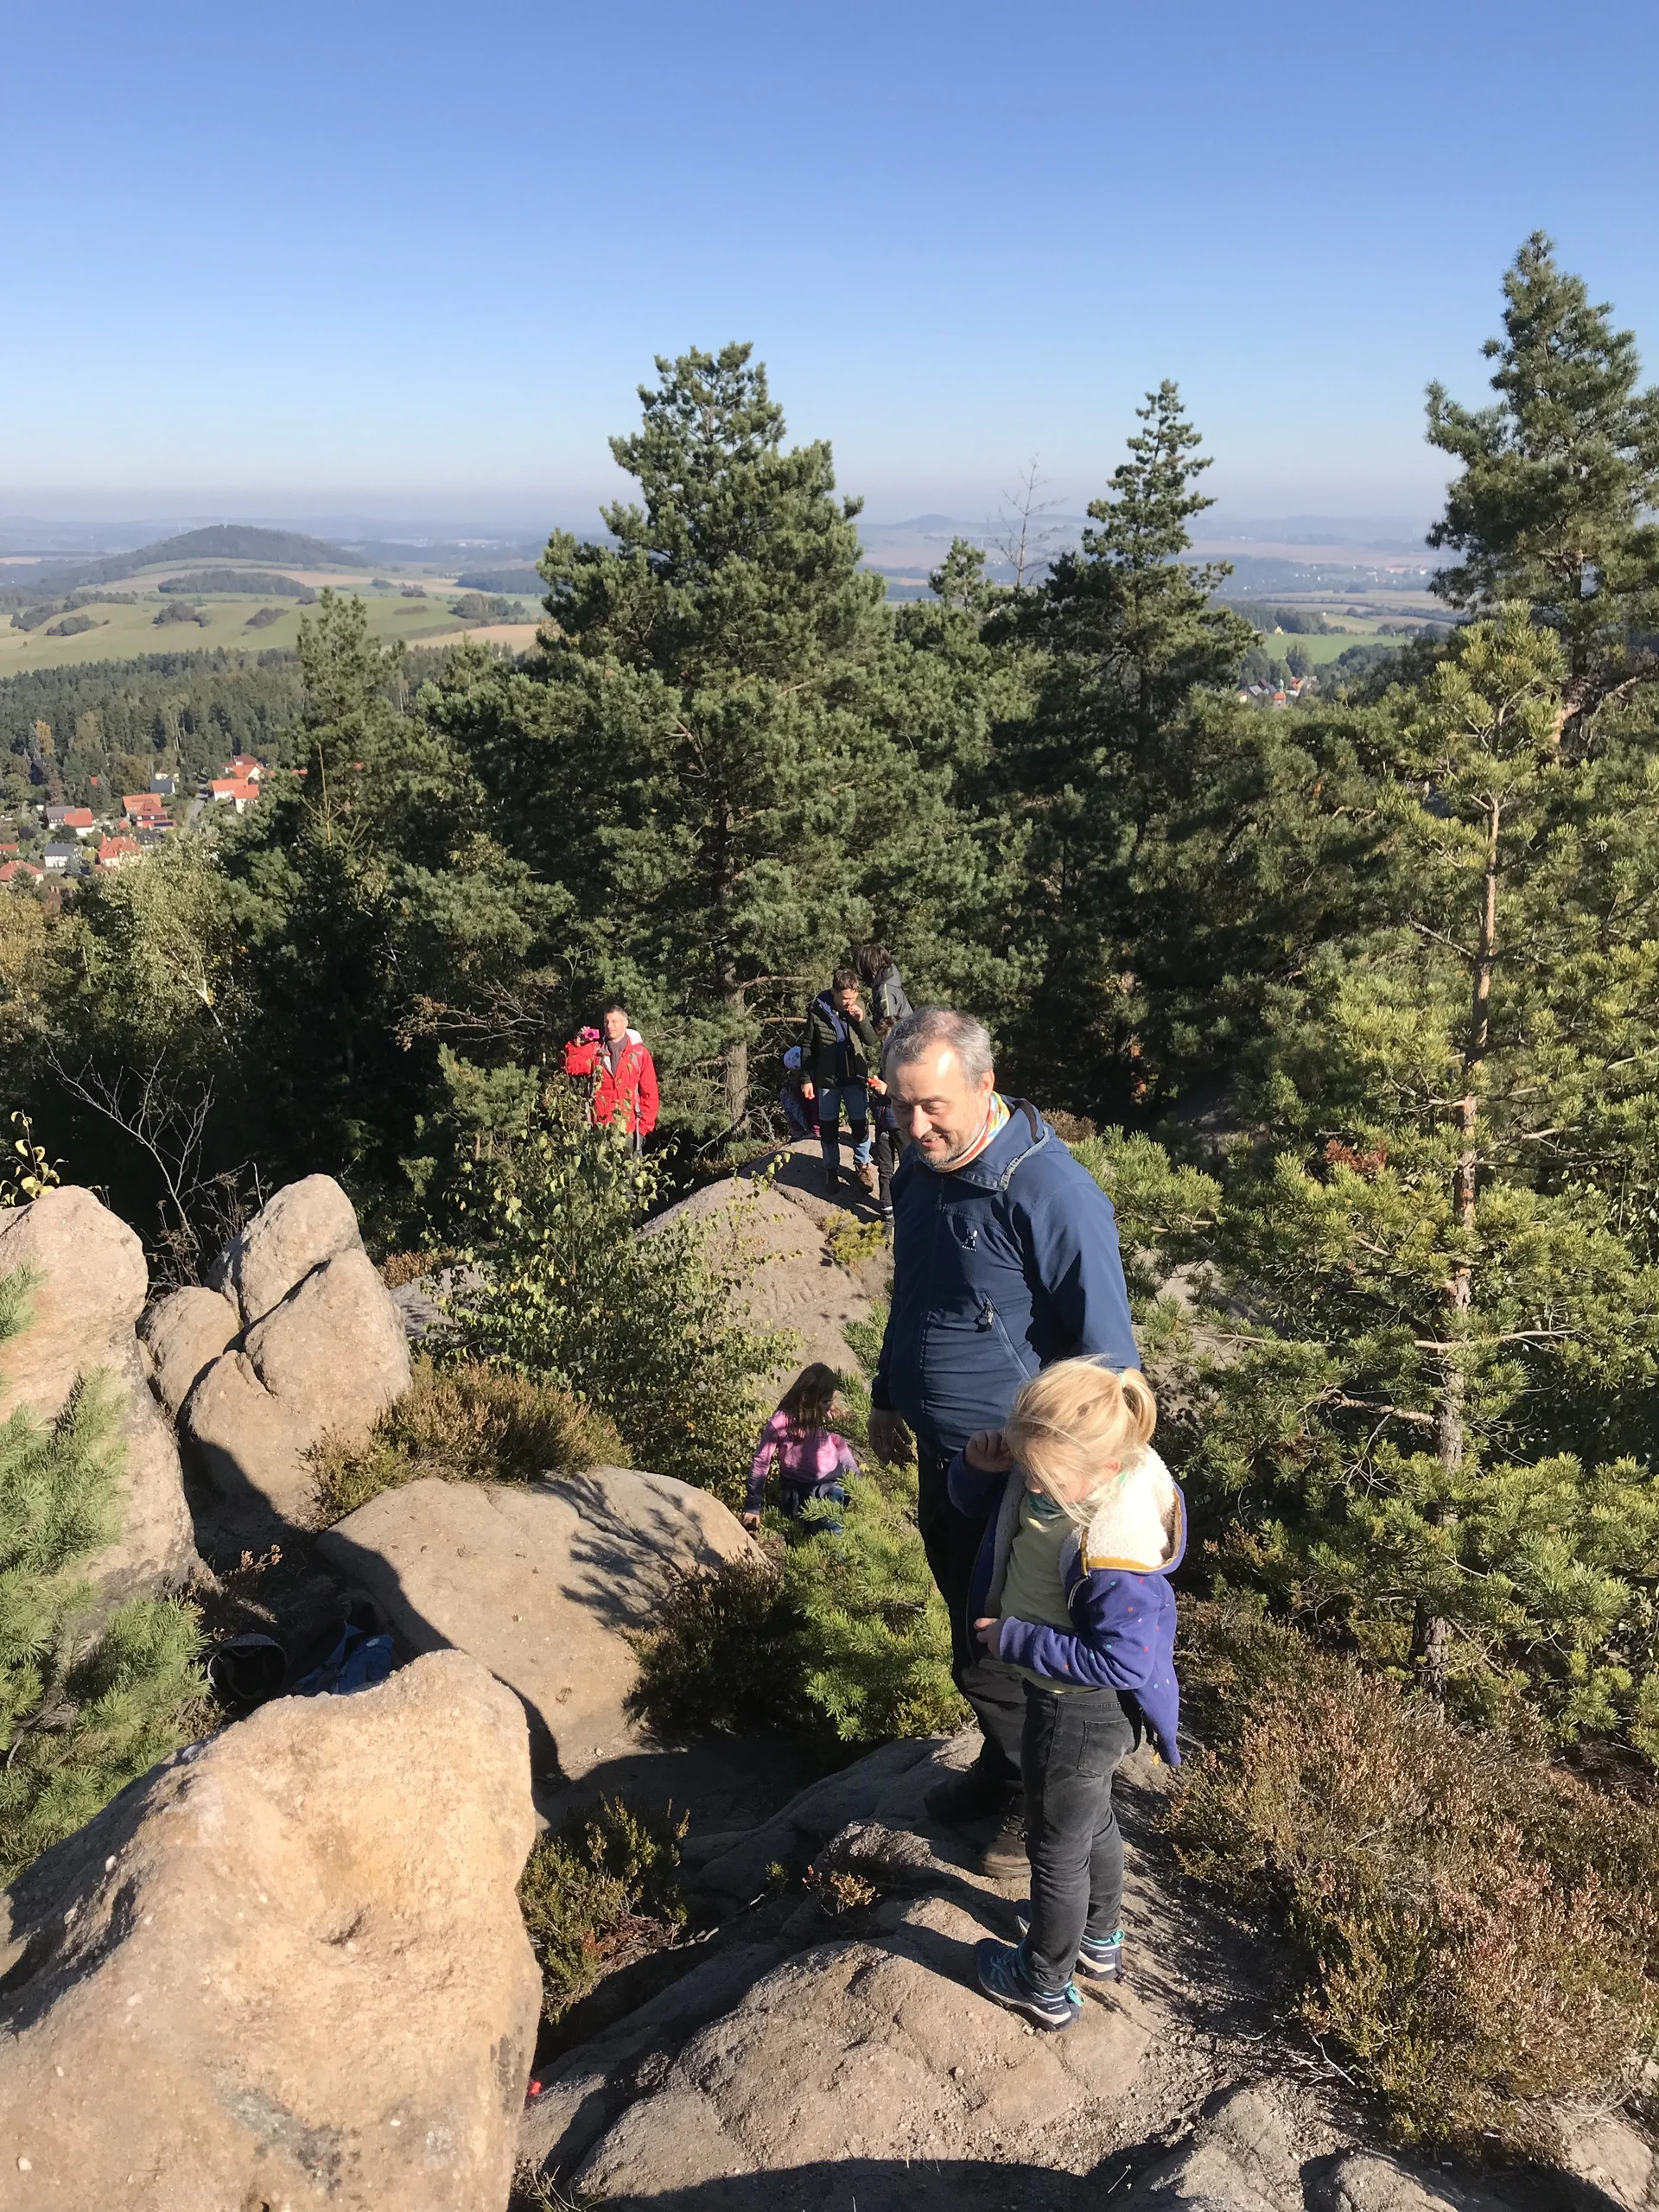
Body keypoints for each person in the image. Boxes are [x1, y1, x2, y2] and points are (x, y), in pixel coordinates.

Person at [867, 1006, 1141, 1872]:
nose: (916, 1127)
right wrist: (887, 1394)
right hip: (950, 1460)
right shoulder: (922, 1175)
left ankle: (1036, 1799)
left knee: (1002, 1642)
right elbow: (915, 1295)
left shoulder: (1050, 1192)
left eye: (933, 1106)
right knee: (966, 1627)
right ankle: (1001, 1762)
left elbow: (1110, 1363)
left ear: (986, 1085)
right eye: (901, 1106)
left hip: (1023, 1475)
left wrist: (1069, 1479)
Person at [947, 1357, 1183, 2031]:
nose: (1031, 1483)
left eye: (1043, 1475)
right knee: (1090, 1819)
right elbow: (976, 1509)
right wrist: (979, 1467)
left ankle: (1043, 1982)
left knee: (1055, 1849)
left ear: (1106, 1469)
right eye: (1025, 1466)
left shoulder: (1116, 1552)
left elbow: (1120, 1661)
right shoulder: (1062, 1474)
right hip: (1068, 1706)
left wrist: (1015, 1640)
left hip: (1078, 1709)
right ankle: (1098, 1940)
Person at [743, 1363, 861, 1533]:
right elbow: (762, 1460)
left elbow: (841, 1448)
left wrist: (857, 1480)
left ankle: (835, 1548)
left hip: (830, 1486)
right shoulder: (782, 1422)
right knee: (798, 1537)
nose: (829, 1407)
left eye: (831, 1401)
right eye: (825, 1402)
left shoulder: (828, 1418)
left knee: (831, 1533)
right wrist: (752, 1506)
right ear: (808, 1398)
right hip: (796, 1491)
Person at [798, 969, 882, 1199]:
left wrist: (861, 1020)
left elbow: (871, 1040)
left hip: (855, 1077)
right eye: (845, 998)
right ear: (834, 992)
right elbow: (807, 1047)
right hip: (828, 1080)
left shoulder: (858, 1007)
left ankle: (862, 1166)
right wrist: (806, 1079)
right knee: (828, 1128)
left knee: (860, 1124)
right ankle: (831, 1170)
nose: (849, 1002)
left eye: (853, 997)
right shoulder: (817, 1011)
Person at [855, 943, 912, 1224]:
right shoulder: (892, 980)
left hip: (898, 1063)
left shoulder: (885, 992)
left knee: (901, 1162)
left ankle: (900, 1208)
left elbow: (888, 1030)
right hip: (903, 1061)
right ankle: (897, 1209)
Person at [565, 1004, 659, 1154]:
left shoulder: (639, 1054)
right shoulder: (595, 1051)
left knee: (630, 1170)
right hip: (600, 1131)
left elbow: (650, 1094)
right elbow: (569, 1066)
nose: (609, 1026)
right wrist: (578, 1044)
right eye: (606, 1022)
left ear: (625, 1023)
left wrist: (642, 1130)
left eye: (614, 1021)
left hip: (629, 1132)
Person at [779, 1046, 817, 1141]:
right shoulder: (817, 1073)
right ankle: (799, 1131)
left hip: (816, 1122)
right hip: (824, 1119)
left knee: (784, 1094)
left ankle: (799, 1131)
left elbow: (813, 1105)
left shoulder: (807, 1082)